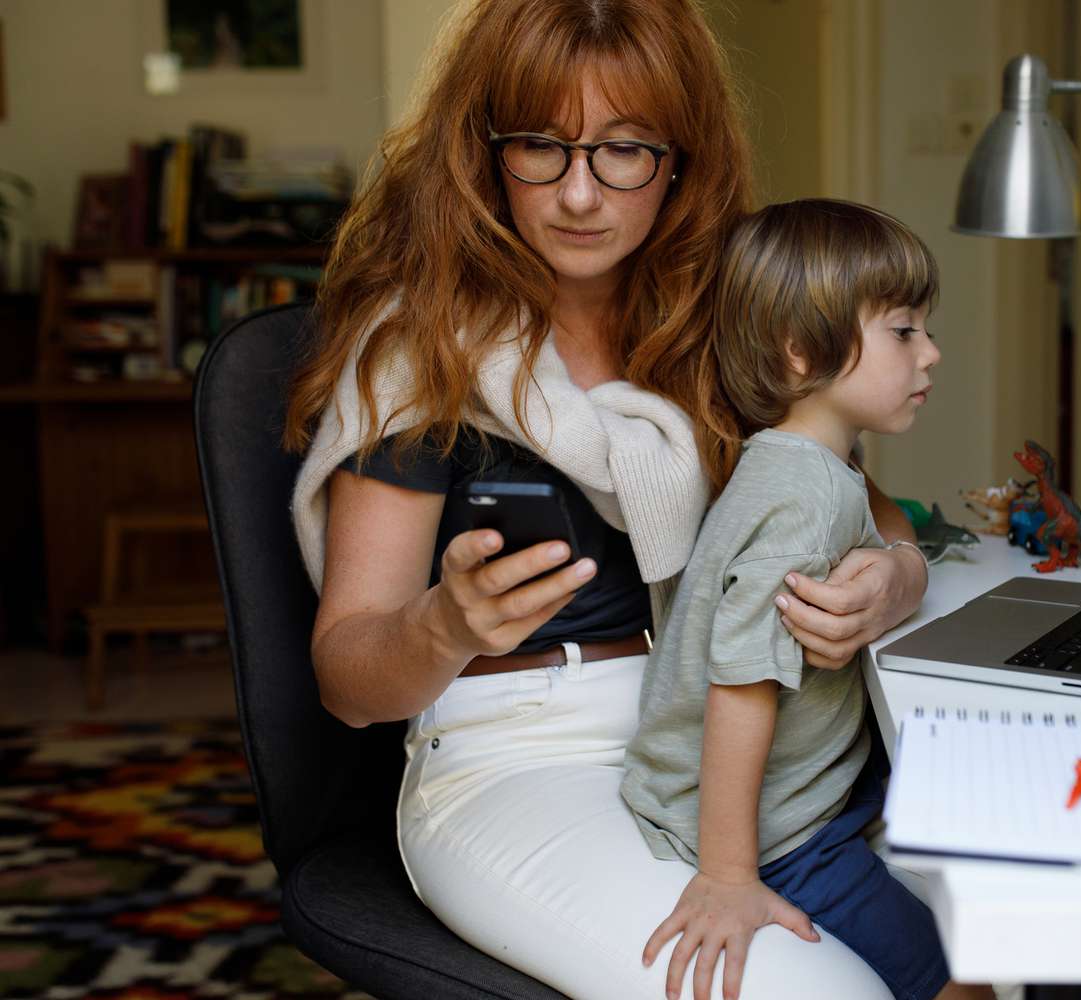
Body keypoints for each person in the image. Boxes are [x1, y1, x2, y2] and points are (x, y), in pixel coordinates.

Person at [280, 2, 931, 998]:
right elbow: (347, 679)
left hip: (715, 726)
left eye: (624, 150)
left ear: (680, 161)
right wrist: (441, 622)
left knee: (993, 923)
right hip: (519, 760)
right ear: (487, 154)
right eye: (542, 147)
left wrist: (890, 582)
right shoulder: (422, 354)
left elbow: (879, 520)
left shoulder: (717, 331)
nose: (580, 193)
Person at [622, 200, 987, 1000]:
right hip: (783, 833)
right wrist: (728, 874)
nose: (931, 353)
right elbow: (741, 685)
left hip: (811, 783)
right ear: (799, 353)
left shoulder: (812, 463)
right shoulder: (803, 499)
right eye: (903, 331)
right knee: (963, 985)